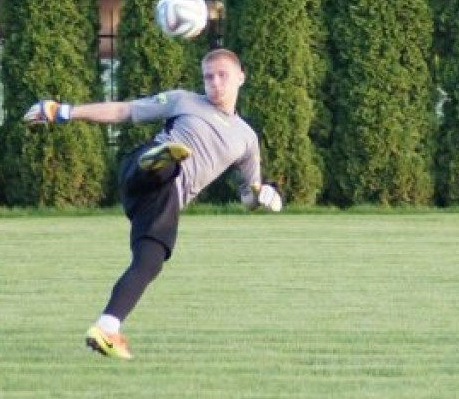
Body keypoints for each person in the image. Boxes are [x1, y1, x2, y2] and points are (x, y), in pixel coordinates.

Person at [23, 48, 282, 360]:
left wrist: (262, 196)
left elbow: (247, 196)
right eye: (208, 77)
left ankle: (106, 328)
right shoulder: (183, 100)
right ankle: (157, 161)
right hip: (141, 173)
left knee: (150, 261)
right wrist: (62, 111)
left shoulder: (247, 139)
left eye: (222, 75)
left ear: (241, 77)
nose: (214, 83)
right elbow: (124, 112)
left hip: (159, 202)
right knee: (171, 162)